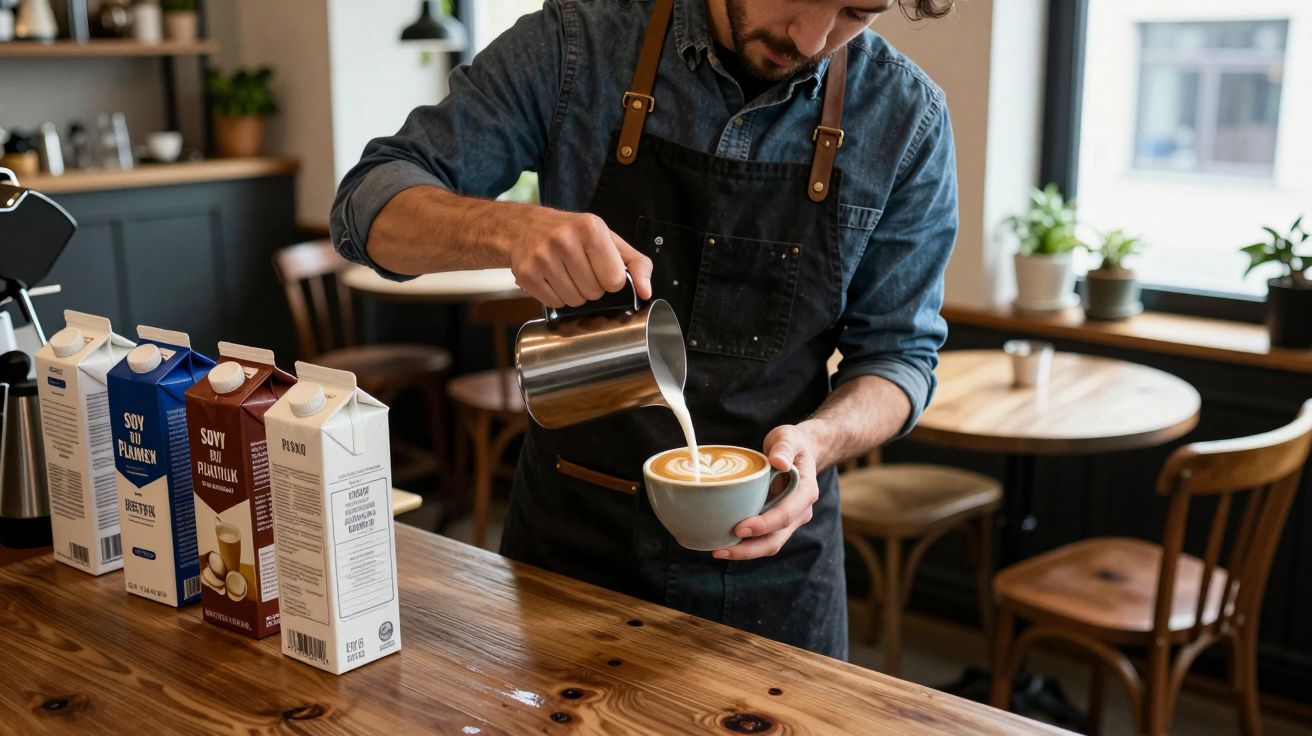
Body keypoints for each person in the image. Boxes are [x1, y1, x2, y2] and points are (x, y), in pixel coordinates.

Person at [330, 0, 957, 660]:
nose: (811, 37)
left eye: (856, 13)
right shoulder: (582, 45)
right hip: (569, 558)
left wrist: (821, 440)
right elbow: (367, 205)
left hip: (773, 575)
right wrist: (507, 229)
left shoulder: (904, 118)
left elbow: (900, 355)